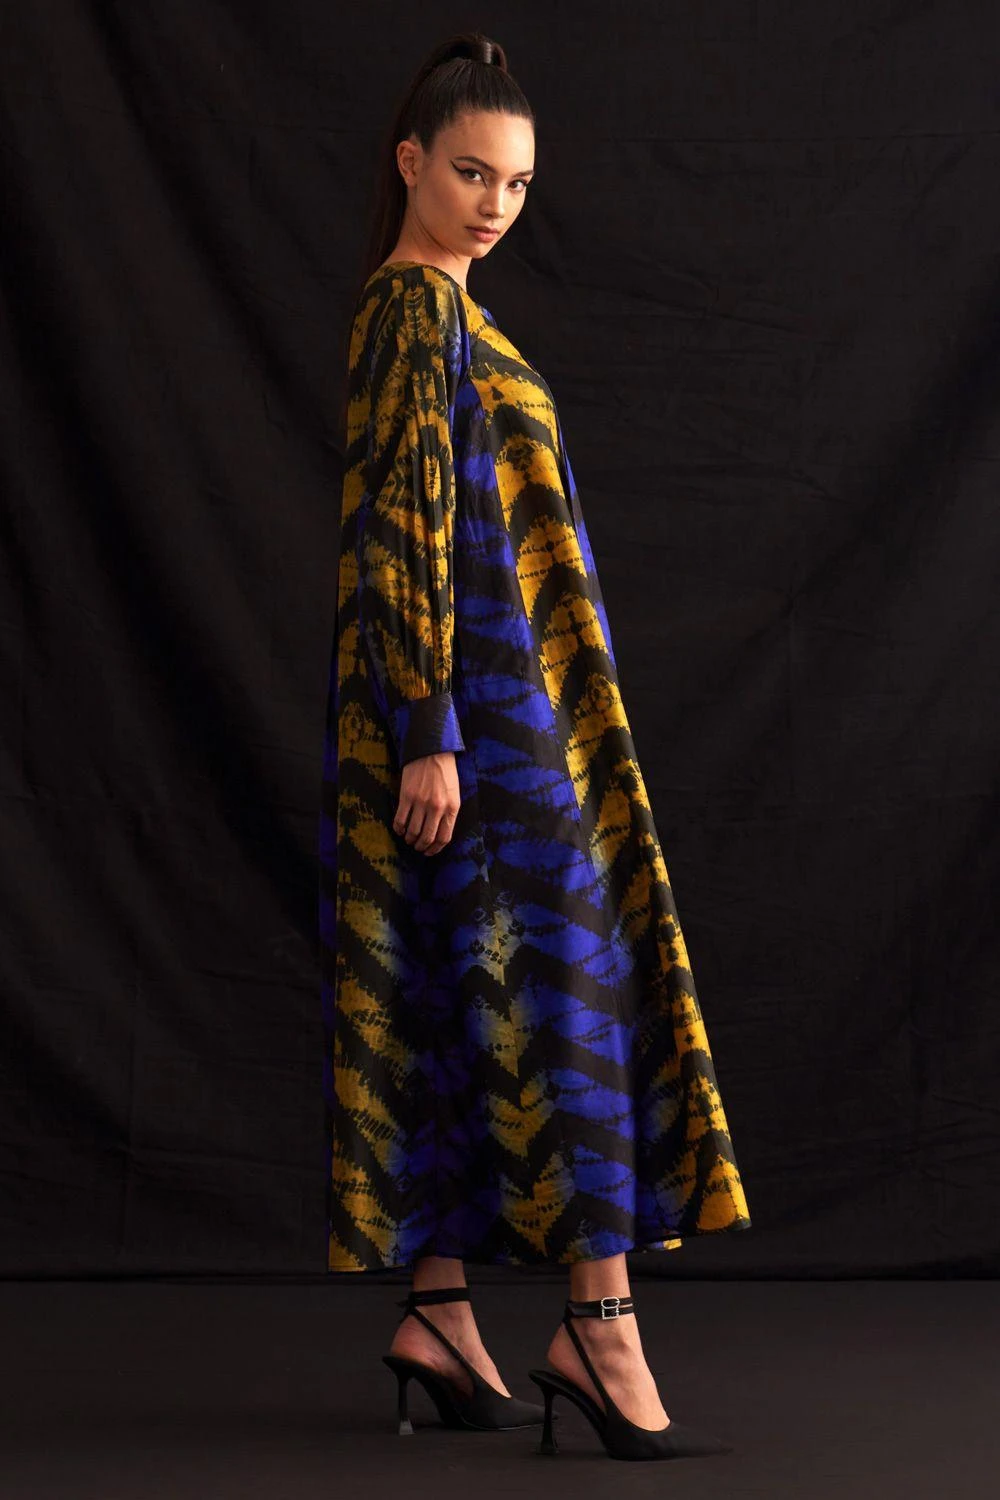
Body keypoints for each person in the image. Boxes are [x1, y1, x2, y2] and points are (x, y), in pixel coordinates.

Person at [318, 31, 751, 1461]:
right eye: (469, 173)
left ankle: (441, 1316)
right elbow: (402, 525)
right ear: (409, 164)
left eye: (514, 182)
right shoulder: (411, 310)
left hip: (504, 714)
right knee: (566, 997)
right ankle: (600, 1327)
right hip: (477, 728)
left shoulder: (453, 310)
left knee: (457, 992)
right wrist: (429, 732)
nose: (495, 204)